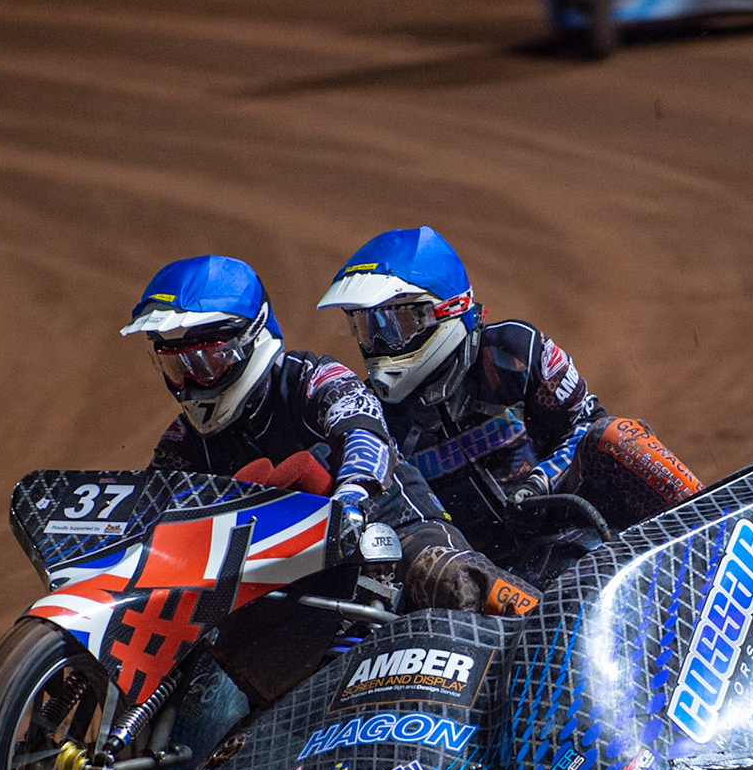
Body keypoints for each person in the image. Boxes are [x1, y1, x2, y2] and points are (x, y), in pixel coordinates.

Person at [122, 255, 542, 616]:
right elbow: (147, 512)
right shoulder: (182, 442)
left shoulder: (313, 380)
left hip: (391, 532)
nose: (194, 380)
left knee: (452, 580)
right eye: (178, 367)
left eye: (207, 361)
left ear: (248, 341)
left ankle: (549, 634)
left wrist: (351, 497)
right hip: (271, 583)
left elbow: (363, 430)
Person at [315, 226, 703, 561]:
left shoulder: (515, 351)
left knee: (620, 437)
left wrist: (539, 480)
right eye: (367, 328)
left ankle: (715, 527)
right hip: (481, 574)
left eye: (392, 324)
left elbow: (588, 425)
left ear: (446, 311)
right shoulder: (368, 413)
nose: (379, 343)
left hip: (576, 528)